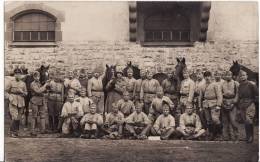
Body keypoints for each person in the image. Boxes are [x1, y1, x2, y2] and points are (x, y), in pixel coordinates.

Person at [199, 71, 222, 140]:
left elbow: (219, 95)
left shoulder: (215, 85)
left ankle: (219, 134)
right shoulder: (202, 86)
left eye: (208, 76)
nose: (207, 78)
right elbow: (200, 97)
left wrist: (218, 105)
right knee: (208, 120)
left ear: (211, 77)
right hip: (206, 104)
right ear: (204, 77)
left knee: (215, 119)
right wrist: (200, 106)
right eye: (205, 76)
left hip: (214, 103)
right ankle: (211, 135)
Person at [237, 70, 258, 143]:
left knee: (249, 120)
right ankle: (248, 136)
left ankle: (251, 137)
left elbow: (257, 95)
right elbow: (239, 96)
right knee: (245, 121)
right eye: (241, 76)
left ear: (247, 76)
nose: (242, 77)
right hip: (242, 104)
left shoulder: (252, 84)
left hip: (250, 103)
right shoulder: (240, 85)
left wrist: (252, 102)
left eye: (244, 75)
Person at [6, 68, 27, 137]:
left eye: (19, 74)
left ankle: (16, 132)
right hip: (13, 101)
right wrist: (9, 97)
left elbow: (26, 93)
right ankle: (12, 131)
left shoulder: (23, 83)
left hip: (21, 101)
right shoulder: (11, 82)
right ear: (14, 75)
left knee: (18, 117)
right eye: (16, 74)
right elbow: (5, 91)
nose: (17, 75)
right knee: (14, 116)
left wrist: (22, 92)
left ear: (21, 75)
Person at [30, 71, 50, 136]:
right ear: (33, 77)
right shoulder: (32, 84)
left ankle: (43, 130)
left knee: (42, 116)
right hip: (35, 100)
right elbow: (38, 91)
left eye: (38, 76)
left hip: (41, 100)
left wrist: (47, 89)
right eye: (36, 76)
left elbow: (43, 90)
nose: (37, 78)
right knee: (34, 116)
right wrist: (45, 85)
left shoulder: (39, 83)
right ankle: (32, 131)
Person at [221, 70, 239, 141]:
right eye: (226, 75)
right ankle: (227, 137)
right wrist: (222, 103)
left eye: (229, 75)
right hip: (224, 102)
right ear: (225, 76)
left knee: (233, 121)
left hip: (232, 102)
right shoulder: (222, 84)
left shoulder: (235, 83)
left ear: (232, 76)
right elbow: (220, 94)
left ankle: (236, 136)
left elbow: (237, 94)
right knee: (225, 121)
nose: (228, 76)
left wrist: (233, 103)